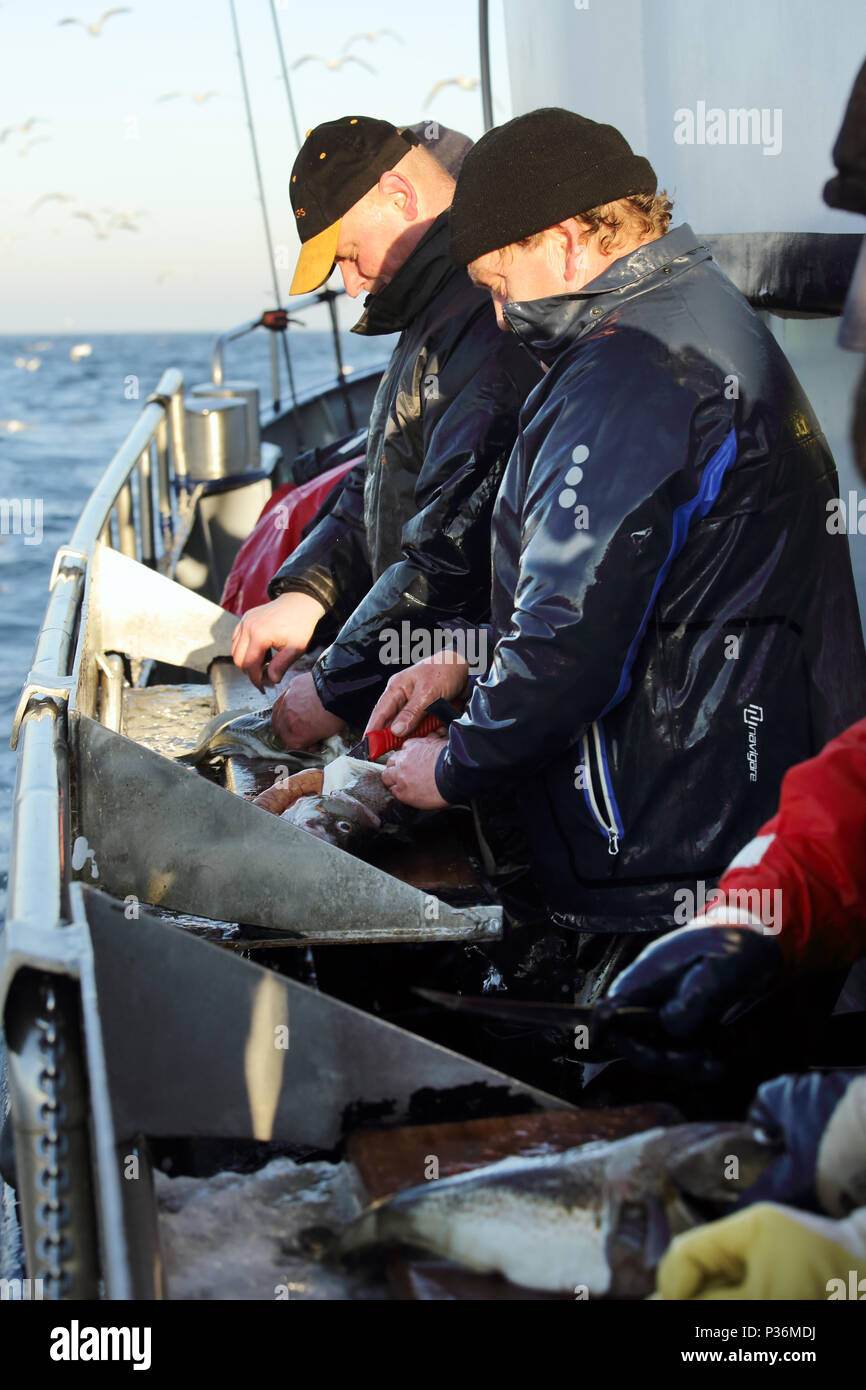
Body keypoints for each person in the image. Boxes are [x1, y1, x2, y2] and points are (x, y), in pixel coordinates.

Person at [374, 107, 866, 994]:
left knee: (656, 1091)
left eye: (499, 280)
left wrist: (449, 768)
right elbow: (643, 586)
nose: (498, 310)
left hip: (671, 846)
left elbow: (569, 637)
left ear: (565, 242)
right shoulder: (690, 310)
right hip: (726, 821)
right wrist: (471, 654)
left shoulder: (631, 367)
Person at [230, 115, 541, 747]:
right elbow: (380, 472)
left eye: (347, 255)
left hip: (470, 704)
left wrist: (333, 687)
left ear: (399, 196)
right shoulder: (432, 311)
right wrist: (308, 594)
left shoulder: (484, 321)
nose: (350, 285)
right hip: (412, 678)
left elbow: (453, 552)